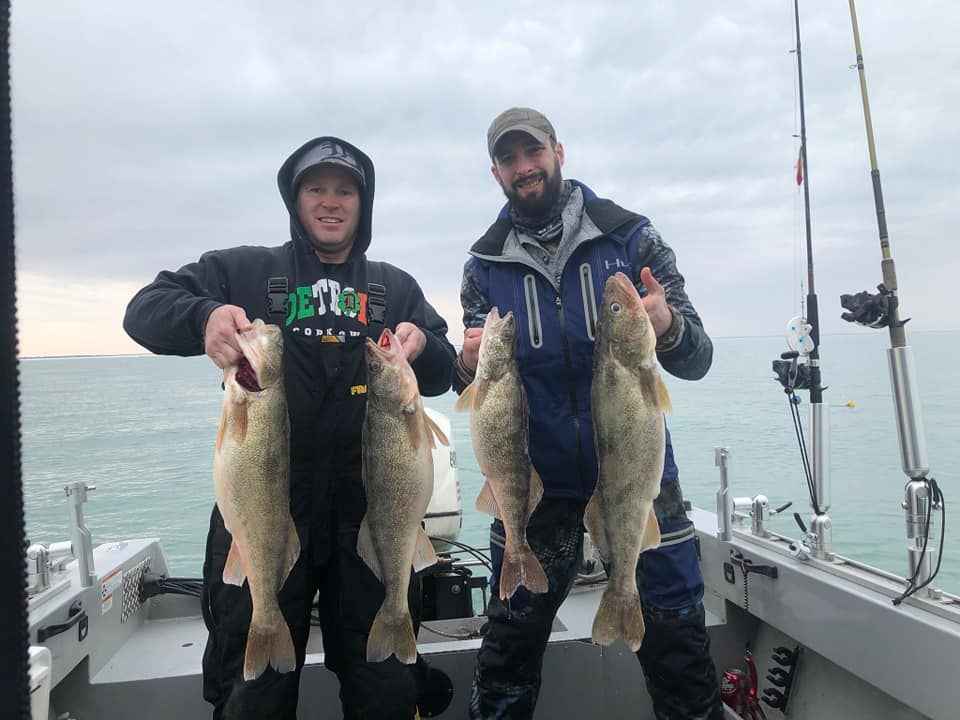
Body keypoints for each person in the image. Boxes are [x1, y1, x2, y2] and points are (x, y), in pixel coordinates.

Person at [124, 137, 455, 720]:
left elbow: (442, 372)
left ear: (364, 202)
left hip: (371, 511)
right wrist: (204, 317)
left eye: (345, 189)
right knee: (252, 688)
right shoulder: (245, 270)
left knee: (385, 685)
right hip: (264, 502)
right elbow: (145, 310)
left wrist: (423, 343)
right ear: (295, 200)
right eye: (316, 188)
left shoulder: (393, 286)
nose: (331, 202)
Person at [454, 108, 724, 720]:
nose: (525, 167)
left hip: (639, 478)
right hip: (532, 487)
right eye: (510, 158)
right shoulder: (483, 266)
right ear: (495, 171)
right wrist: (465, 364)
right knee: (507, 651)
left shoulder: (632, 237)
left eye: (535, 152)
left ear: (559, 151)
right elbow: (472, 380)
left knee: (679, 641)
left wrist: (669, 325)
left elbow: (698, 357)